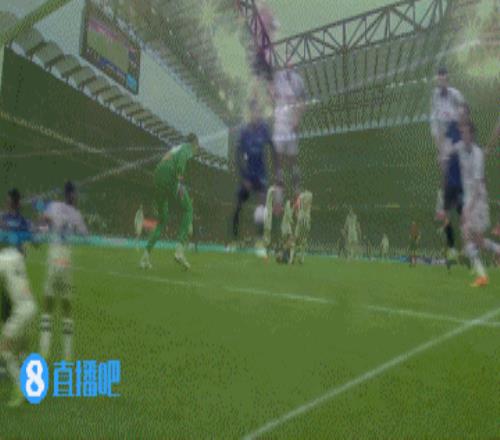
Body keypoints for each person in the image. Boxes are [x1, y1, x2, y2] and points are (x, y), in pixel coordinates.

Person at [39, 181, 88, 362]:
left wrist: (47, 222)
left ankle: (46, 349)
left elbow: (43, 220)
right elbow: (85, 235)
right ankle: (64, 353)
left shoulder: (54, 206)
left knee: (50, 301)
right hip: (64, 257)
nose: (76, 197)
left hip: (55, 255)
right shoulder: (75, 213)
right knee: (63, 302)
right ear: (70, 194)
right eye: (75, 193)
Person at [0, 188, 37, 407]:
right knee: (20, 340)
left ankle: (20, 385)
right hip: (30, 305)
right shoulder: (17, 254)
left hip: (19, 307)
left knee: (5, 346)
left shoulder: (3, 258)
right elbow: (34, 242)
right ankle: (25, 369)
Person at [141, 134, 200, 270]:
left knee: (162, 220)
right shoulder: (186, 147)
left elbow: (167, 161)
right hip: (170, 177)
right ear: (194, 143)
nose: (197, 149)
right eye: (197, 146)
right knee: (188, 209)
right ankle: (179, 250)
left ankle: (145, 257)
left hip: (157, 178)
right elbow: (181, 159)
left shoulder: (175, 149)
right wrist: (179, 179)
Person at [430, 66, 467, 264]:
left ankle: (466, 249)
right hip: (446, 147)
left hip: (456, 147)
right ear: (437, 79)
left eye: (444, 78)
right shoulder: (435, 98)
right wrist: (441, 152)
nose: (441, 81)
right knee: (445, 207)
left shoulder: (456, 95)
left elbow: (462, 120)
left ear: (447, 78)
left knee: (460, 206)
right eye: (439, 78)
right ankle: (452, 250)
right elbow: (435, 127)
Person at [458, 120, 500, 287]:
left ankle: (482, 276)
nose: (463, 136)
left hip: (478, 201)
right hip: (471, 199)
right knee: (478, 241)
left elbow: (477, 186)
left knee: (467, 235)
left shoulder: (476, 154)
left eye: (466, 133)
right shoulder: (464, 151)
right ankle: (483, 274)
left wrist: (468, 209)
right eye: (462, 133)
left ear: (472, 135)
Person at [232, 100, 275, 257]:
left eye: (259, 112)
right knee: (239, 205)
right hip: (248, 174)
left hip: (261, 174)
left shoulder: (264, 128)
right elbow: (237, 155)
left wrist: (275, 167)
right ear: (250, 113)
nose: (257, 114)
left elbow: (272, 146)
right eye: (254, 111)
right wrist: (244, 177)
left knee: (262, 207)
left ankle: (259, 242)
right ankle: (234, 241)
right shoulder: (244, 131)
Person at [272, 63, 306, 205]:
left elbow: (302, 103)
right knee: (286, 163)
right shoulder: (289, 80)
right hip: (283, 127)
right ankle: (283, 200)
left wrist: (296, 118)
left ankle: (291, 198)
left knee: (285, 163)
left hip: (286, 127)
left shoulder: (293, 81)